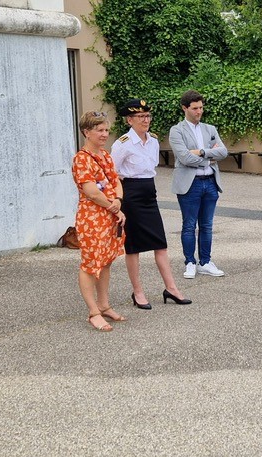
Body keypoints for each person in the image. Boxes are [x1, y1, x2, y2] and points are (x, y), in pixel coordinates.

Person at [110, 99, 191, 309]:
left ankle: (171, 288)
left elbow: (151, 168)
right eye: (140, 117)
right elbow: (112, 174)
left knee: (160, 243)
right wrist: (118, 200)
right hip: (130, 195)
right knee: (133, 247)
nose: (146, 120)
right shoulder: (122, 144)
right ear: (130, 120)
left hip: (149, 193)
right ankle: (138, 292)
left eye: (147, 116)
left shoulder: (153, 141)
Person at [71, 111, 127, 332]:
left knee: (105, 261)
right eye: (100, 130)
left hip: (109, 215)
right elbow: (91, 192)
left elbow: (116, 181)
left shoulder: (105, 155)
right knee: (90, 264)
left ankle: (104, 305)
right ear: (87, 132)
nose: (105, 134)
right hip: (92, 219)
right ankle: (93, 312)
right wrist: (113, 206)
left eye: (106, 130)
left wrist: (118, 201)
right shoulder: (81, 159)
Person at [169, 90, 227, 279]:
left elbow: (223, 152)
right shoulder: (177, 130)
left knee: (207, 225)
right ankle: (190, 262)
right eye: (195, 108)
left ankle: (205, 262)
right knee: (189, 225)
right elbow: (184, 157)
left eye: (201, 107)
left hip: (210, 182)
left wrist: (201, 152)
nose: (199, 111)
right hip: (190, 184)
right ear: (184, 108)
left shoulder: (210, 129)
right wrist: (210, 157)